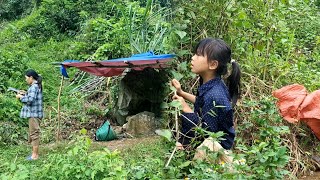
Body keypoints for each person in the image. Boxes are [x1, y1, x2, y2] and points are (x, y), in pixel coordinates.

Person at [171, 38, 241, 162]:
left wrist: (186, 109)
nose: (192, 58)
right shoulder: (214, 85)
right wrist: (182, 93)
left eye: (198, 55)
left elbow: (204, 135)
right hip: (215, 144)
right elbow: (201, 101)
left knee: (178, 147)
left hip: (216, 152)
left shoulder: (214, 95)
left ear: (213, 64)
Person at [16, 69, 43, 160]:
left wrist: (20, 97)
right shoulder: (35, 86)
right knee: (33, 133)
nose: (26, 80)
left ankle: (35, 156)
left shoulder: (34, 87)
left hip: (34, 114)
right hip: (35, 114)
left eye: (26, 78)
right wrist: (25, 93)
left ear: (31, 77)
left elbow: (30, 100)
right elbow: (32, 97)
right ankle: (34, 154)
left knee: (34, 134)